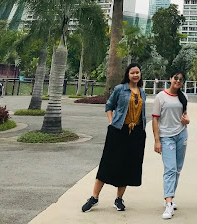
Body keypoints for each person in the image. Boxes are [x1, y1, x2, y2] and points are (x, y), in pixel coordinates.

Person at [81, 62, 147, 213]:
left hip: (136, 133)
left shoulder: (142, 92)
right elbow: (109, 106)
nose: (135, 75)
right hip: (118, 131)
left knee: (127, 166)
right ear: (128, 75)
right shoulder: (120, 89)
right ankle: (94, 197)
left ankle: (119, 199)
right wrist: (112, 122)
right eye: (132, 73)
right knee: (107, 163)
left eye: (137, 72)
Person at [152, 71, 190, 220]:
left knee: (177, 169)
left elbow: (185, 116)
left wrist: (187, 121)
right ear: (170, 79)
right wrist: (157, 140)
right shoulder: (160, 97)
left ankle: (170, 198)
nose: (178, 81)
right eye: (175, 78)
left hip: (181, 135)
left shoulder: (184, 97)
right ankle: (168, 204)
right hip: (166, 137)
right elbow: (155, 120)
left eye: (181, 79)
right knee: (170, 169)